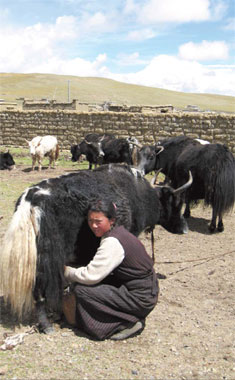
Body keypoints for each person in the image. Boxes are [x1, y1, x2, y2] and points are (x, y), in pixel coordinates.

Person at [63, 199, 159, 341]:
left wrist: (66, 271)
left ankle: (124, 323)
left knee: (82, 291)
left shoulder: (112, 242)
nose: (93, 225)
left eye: (98, 221)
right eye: (90, 221)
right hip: (146, 291)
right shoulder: (119, 233)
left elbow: (90, 276)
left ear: (112, 220)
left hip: (141, 298)